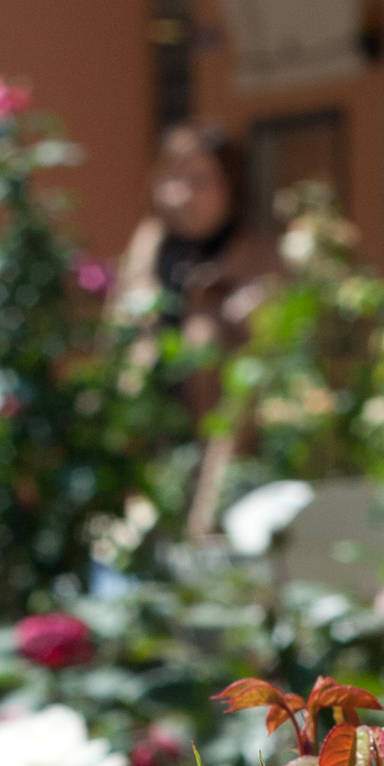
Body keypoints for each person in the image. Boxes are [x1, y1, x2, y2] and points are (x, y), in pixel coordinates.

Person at [114, 123, 278, 537]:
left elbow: (246, 402)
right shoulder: (147, 252)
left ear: (232, 187)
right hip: (147, 470)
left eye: (199, 181)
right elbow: (115, 352)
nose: (180, 195)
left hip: (222, 476)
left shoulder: (256, 269)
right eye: (172, 178)